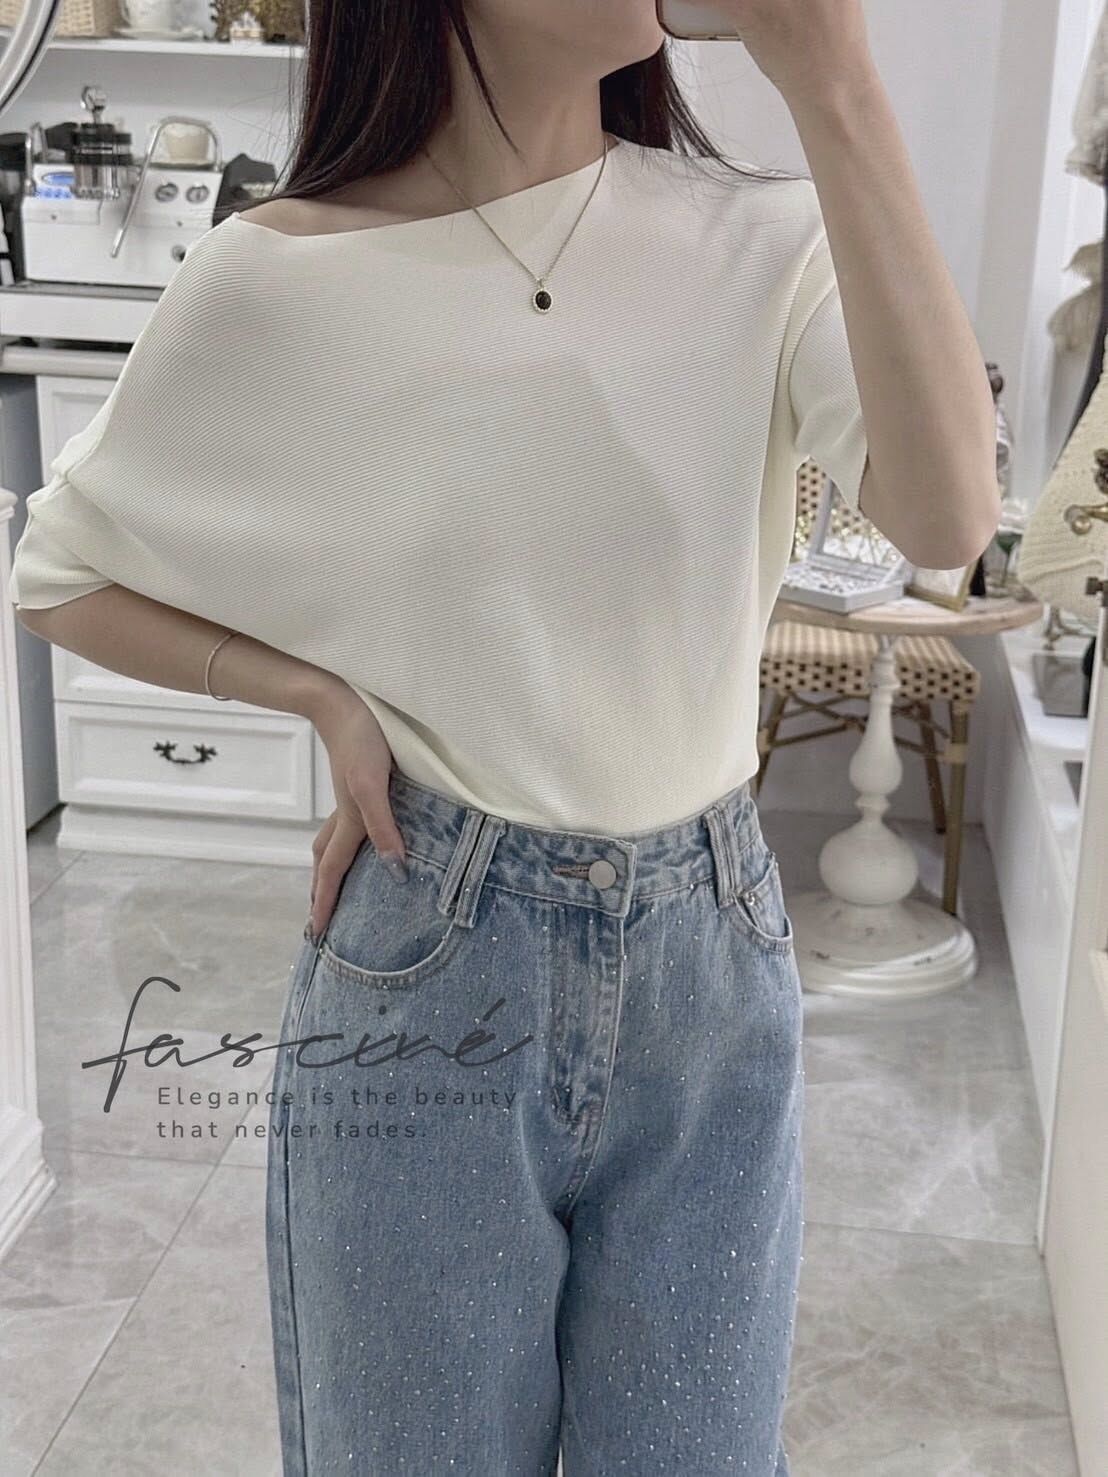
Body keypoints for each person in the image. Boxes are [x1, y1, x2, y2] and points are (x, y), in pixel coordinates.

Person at [9, 2, 999, 1472]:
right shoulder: (276, 275)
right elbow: (59, 572)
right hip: (430, 954)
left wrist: (836, 77)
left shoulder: (762, 239)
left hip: (710, 967)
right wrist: (320, 695)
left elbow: (948, 516)